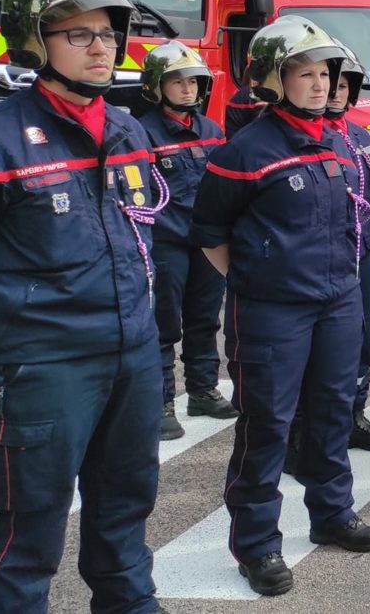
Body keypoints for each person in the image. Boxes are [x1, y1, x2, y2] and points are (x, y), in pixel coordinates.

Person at [191, 15, 370, 595]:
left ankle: (332, 513)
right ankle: (257, 544)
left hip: (337, 300)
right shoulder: (244, 151)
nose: (321, 84)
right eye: (305, 73)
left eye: (325, 73)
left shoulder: (337, 140)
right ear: (274, 80)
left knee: (332, 410)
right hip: (272, 310)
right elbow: (210, 233)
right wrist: (257, 278)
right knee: (268, 424)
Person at [0, 0, 164, 611]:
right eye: (79, 34)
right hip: (44, 363)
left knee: (125, 508)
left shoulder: (126, 128)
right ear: (35, 42)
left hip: (133, 352)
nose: (102, 48)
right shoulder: (3, 137)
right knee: (26, 529)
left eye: (109, 33)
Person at [138, 42, 235, 442]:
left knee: (204, 318)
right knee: (164, 324)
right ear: (156, 86)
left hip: (205, 242)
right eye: (177, 81)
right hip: (166, 242)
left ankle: (202, 390)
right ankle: (161, 402)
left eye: (193, 81)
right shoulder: (142, 132)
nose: (187, 88)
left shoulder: (211, 131)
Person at [323, 50, 370, 452]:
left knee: (363, 337)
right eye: (329, 84)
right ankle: (313, 427)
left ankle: (355, 414)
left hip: (363, 249)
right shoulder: (310, 135)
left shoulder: (359, 135)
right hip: (327, 256)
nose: (334, 93)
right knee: (326, 345)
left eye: (342, 86)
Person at [224, 74, 267, 139]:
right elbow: (260, 129)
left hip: (233, 135)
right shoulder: (259, 97)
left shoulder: (247, 91)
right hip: (239, 137)